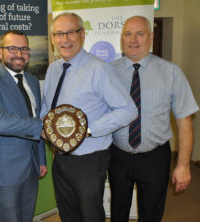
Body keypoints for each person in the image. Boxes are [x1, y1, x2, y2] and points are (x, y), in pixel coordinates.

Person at [40, 13, 138, 222]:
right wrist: (44, 126)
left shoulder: (99, 69)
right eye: (58, 34)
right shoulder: (53, 69)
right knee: (68, 214)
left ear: (82, 35)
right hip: (60, 158)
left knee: (90, 216)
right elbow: (47, 108)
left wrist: (88, 130)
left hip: (89, 158)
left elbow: (128, 109)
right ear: (53, 39)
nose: (64, 39)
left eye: (70, 33)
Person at [109, 16, 199, 222]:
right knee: (117, 213)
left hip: (154, 158)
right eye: (128, 34)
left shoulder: (171, 72)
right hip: (118, 157)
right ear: (121, 38)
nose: (133, 39)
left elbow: (185, 121)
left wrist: (183, 165)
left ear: (150, 37)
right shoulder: (108, 72)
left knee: (151, 214)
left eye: (140, 33)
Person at [0, 30, 47, 222]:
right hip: (4, 170)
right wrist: (40, 126)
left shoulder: (33, 81)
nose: (19, 53)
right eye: (12, 48)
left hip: (32, 166)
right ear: (0, 52)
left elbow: (36, 116)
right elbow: (0, 123)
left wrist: (41, 159)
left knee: (27, 217)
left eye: (24, 48)